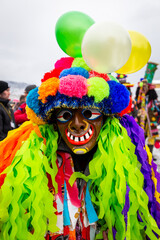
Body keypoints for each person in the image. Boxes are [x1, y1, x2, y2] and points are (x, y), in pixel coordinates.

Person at [0, 57, 160, 240]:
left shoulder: (125, 163)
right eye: (65, 115)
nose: (77, 124)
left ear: (106, 120)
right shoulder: (33, 166)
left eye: (89, 113)